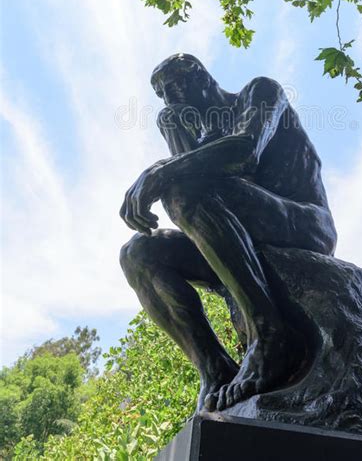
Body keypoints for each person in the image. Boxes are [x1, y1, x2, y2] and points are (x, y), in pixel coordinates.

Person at [119, 53, 336, 411]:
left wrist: (160, 171)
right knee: (138, 254)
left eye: (175, 86)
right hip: (241, 232)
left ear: (202, 77)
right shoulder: (202, 134)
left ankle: (269, 335)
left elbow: (245, 152)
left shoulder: (259, 92)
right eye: (161, 94)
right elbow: (193, 207)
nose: (170, 98)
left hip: (302, 222)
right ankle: (215, 369)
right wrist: (172, 129)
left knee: (180, 186)